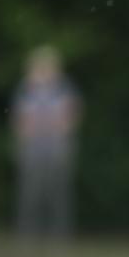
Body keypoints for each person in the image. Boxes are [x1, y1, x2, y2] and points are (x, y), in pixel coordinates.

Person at [11, 45, 81, 237]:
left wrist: (50, 127)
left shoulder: (64, 90)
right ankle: (27, 232)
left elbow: (70, 118)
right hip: (32, 150)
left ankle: (59, 233)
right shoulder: (26, 90)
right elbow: (21, 122)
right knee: (30, 193)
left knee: (57, 193)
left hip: (57, 149)